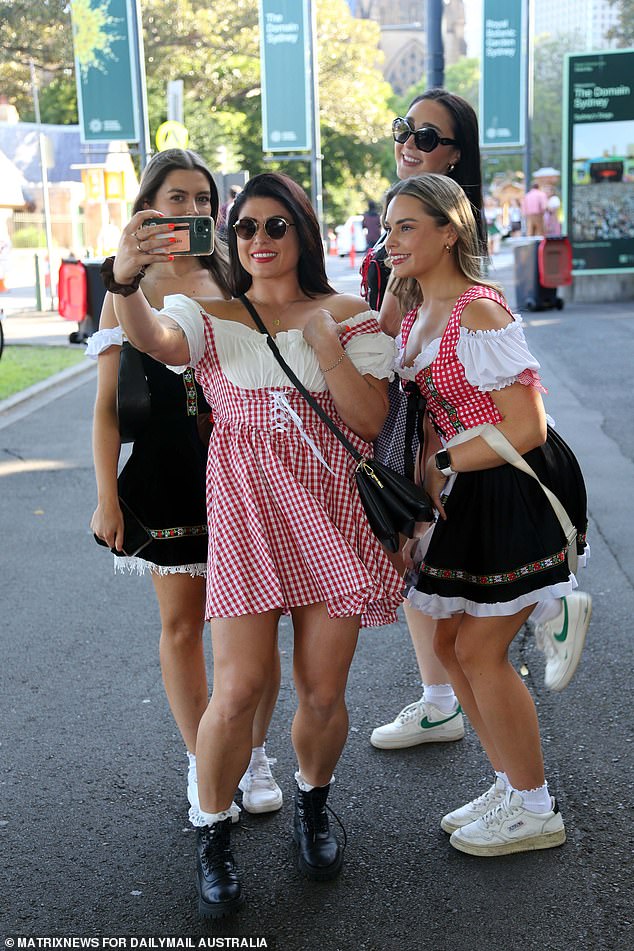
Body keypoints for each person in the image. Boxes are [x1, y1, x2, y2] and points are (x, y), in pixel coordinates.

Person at [105, 171, 403, 917]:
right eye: (245, 228)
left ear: (302, 230)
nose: (259, 240)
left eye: (276, 226)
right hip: (246, 522)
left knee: (324, 689)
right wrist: (124, 280)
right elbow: (155, 339)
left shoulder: (349, 314)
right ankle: (213, 832)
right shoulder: (206, 311)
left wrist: (326, 343)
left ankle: (311, 803)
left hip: (331, 516)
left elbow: (370, 422)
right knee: (235, 689)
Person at [367, 92, 591, 751]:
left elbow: (527, 427)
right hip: (464, 475)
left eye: (406, 228)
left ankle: (529, 800)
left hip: (507, 474)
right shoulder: (417, 308)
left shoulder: (475, 307)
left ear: (447, 231)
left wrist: (440, 466)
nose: (390, 242)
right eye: (388, 228)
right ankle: (510, 788)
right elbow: (416, 395)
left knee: (478, 647)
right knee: (452, 639)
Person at [88, 149, 283, 824]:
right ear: (149, 204)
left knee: (254, 629)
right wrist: (107, 495)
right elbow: (107, 405)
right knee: (180, 625)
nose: (195, 211)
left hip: (245, 472)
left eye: (205, 199)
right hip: (167, 476)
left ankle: (253, 754)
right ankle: (204, 758)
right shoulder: (122, 285)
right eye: (179, 198)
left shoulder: (234, 270)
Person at [362, 89, 485, 751]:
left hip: (438, 431)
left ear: (456, 153)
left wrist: (433, 452)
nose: (408, 141)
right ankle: (440, 699)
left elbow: (415, 343)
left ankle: (515, 780)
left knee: (443, 576)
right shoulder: (405, 221)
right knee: (419, 567)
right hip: (411, 423)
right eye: (404, 127)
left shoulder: (443, 243)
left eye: (428, 136)